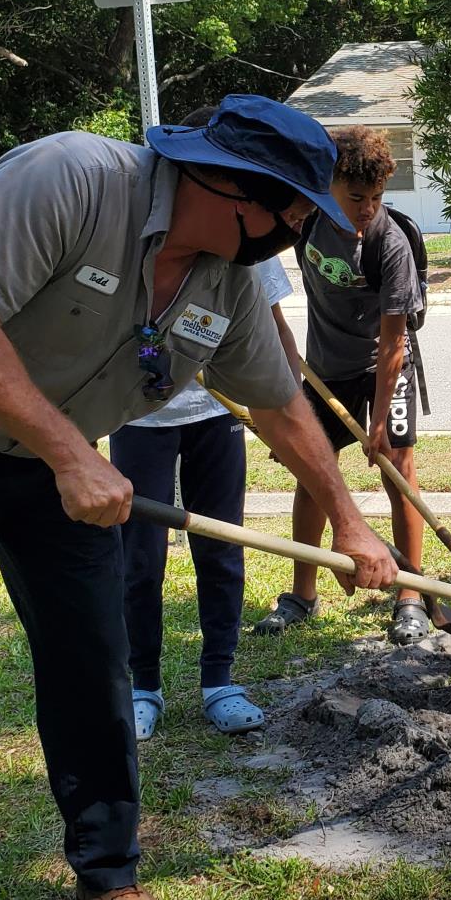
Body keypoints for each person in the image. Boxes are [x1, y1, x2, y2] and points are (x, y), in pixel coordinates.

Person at [0, 95, 396, 900]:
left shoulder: (224, 277)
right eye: (293, 212)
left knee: (91, 659)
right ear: (233, 187)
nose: (296, 234)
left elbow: (277, 402)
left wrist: (349, 522)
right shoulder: (71, 178)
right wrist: (71, 455)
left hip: (65, 464)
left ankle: (109, 875)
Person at [111, 230, 301, 739]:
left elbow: (276, 329)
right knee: (140, 558)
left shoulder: (246, 240)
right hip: (137, 418)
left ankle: (219, 681)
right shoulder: (135, 237)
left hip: (218, 414)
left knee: (221, 549)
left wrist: (291, 409)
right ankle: (142, 688)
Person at [254, 125, 430, 645]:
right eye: (356, 197)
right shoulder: (304, 223)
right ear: (328, 185)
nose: (367, 208)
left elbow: (395, 342)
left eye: (376, 198)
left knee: (399, 475)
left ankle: (410, 597)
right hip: (322, 370)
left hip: (382, 371)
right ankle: (302, 596)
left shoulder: (391, 244)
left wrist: (378, 422)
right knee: (311, 476)